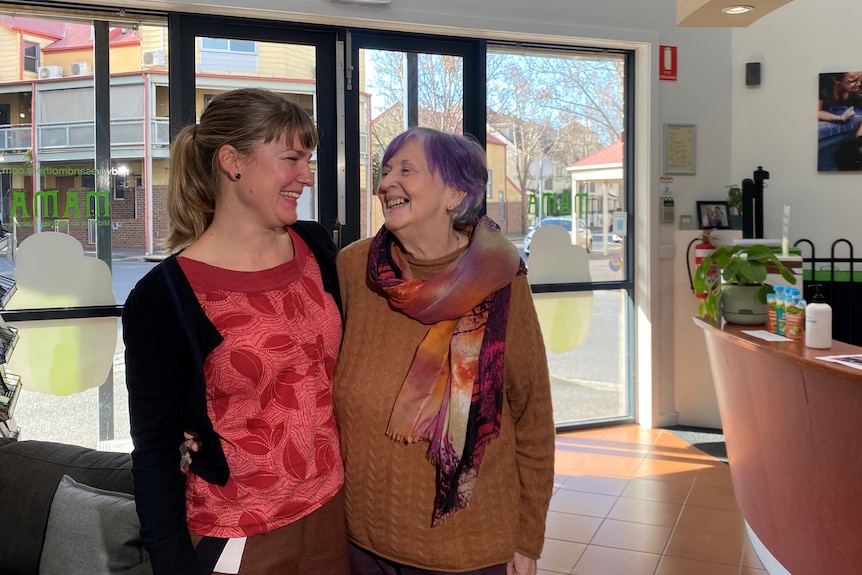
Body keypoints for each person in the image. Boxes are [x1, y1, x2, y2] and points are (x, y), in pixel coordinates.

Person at [122, 88, 348, 575]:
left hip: (331, 513)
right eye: (292, 159)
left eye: (308, 160)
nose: (307, 177)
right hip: (237, 535)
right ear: (232, 161)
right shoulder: (164, 296)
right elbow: (155, 450)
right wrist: (172, 563)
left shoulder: (316, 247)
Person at [333, 127, 555, 575]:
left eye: (406, 170)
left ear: (455, 193)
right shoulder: (354, 268)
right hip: (361, 537)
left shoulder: (501, 277)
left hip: (467, 548)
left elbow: (532, 412)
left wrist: (528, 536)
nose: (385, 182)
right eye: (385, 169)